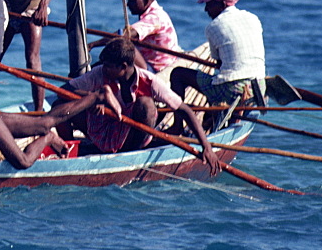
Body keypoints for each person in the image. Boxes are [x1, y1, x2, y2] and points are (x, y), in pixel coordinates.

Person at [61, 38, 222, 175]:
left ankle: (133, 154)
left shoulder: (149, 81)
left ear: (123, 67)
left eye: (109, 66)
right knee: (62, 104)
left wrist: (206, 147)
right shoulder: (100, 73)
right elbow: (65, 90)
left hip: (131, 137)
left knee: (146, 104)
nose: (104, 69)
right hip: (103, 130)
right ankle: (67, 150)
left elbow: (183, 110)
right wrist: (93, 98)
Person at [170, 0, 265, 131]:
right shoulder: (253, 18)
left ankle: (177, 126)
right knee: (217, 79)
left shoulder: (213, 27)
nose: (206, 9)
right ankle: (221, 119)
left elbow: (218, 62)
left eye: (209, 4)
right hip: (259, 86)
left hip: (233, 90)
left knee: (178, 74)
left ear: (221, 4)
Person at [89, 0, 180, 72]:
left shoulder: (155, 17)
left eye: (132, 0)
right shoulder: (152, 15)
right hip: (150, 63)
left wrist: (93, 44)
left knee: (124, 44)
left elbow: (125, 34)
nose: (128, 4)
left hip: (156, 70)